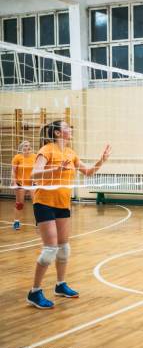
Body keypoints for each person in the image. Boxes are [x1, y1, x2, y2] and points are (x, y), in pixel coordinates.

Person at [27, 120, 111, 309]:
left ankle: (60, 285)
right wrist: (56, 169)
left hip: (62, 204)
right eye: (66, 127)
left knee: (64, 248)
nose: (70, 129)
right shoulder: (47, 150)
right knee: (50, 250)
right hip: (44, 203)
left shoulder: (71, 153)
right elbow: (34, 175)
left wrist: (101, 161)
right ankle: (34, 292)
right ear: (57, 133)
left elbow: (88, 172)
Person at [11, 140, 36, 230]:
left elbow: (38, 169)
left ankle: (38, 221)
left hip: (32, 184)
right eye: (25, 146)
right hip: (20, 183)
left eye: (28, 146)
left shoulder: (35, 156)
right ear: (21, 148)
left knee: (37, 203)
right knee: (20, 204)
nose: (27, 147)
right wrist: (14, 182)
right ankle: (16, 222)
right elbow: (13, 171)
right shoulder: (17, 157)